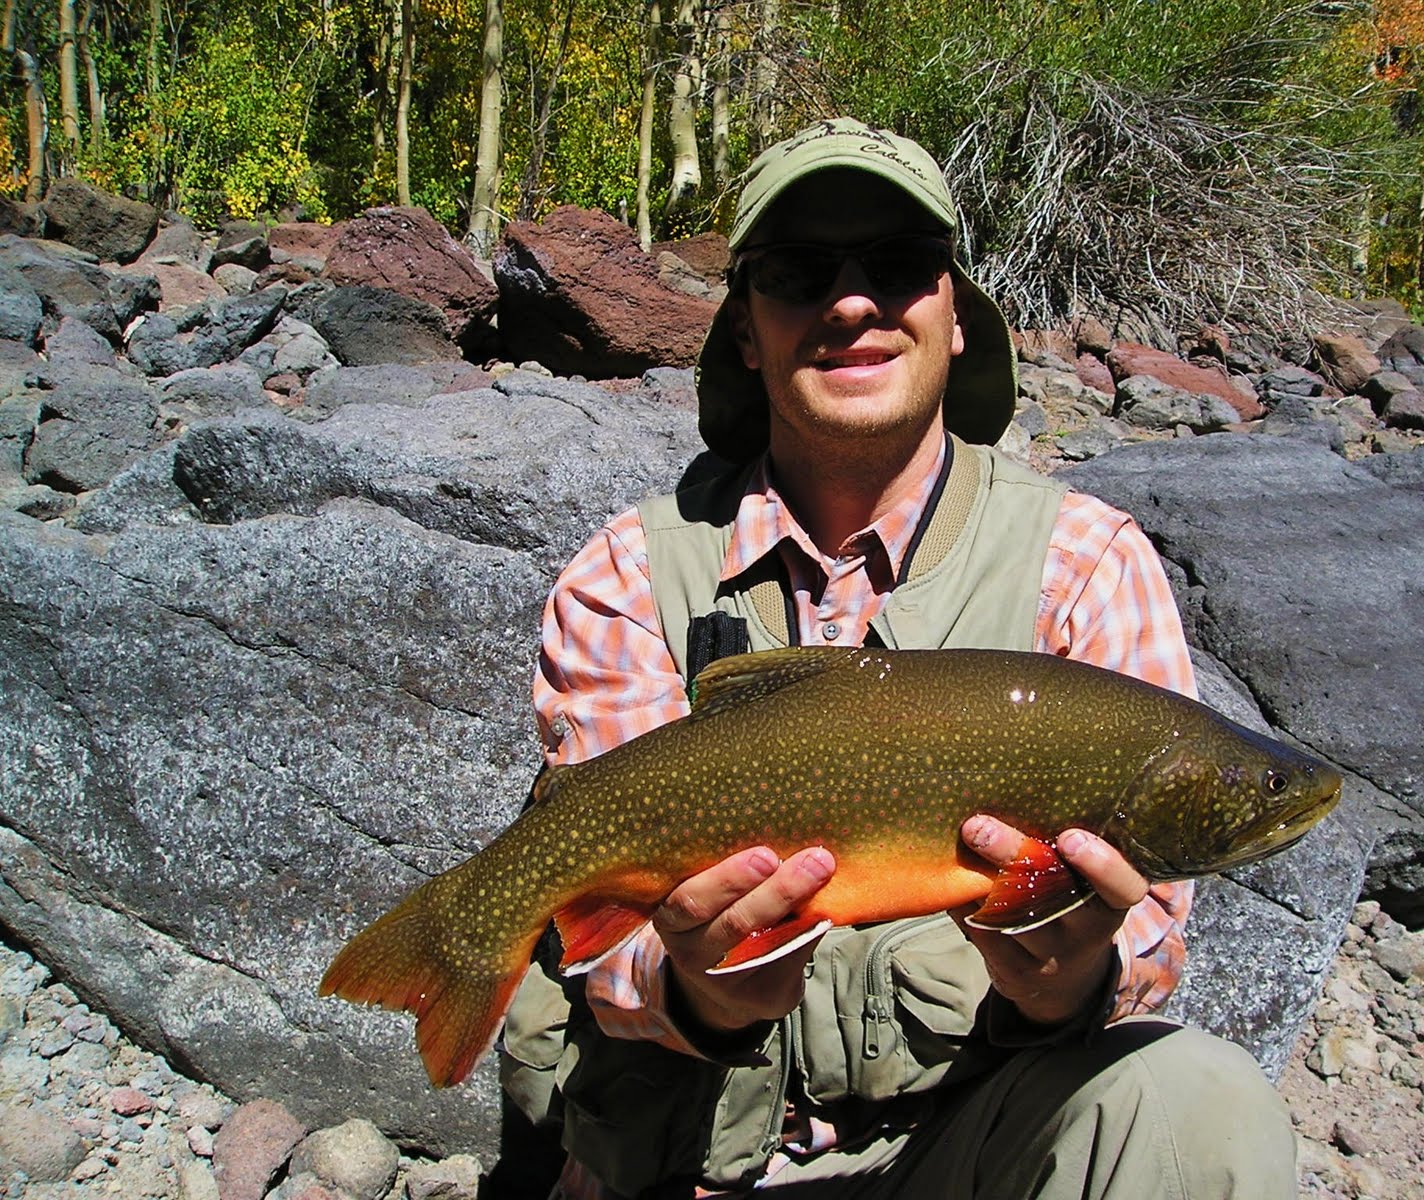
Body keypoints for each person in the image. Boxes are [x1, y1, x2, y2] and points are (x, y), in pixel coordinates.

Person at [500, 118, 1296, 1199]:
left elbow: (1146, 948)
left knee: (1201, 1105)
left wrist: (1069, 980)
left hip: (960, 1155)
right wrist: (700, 989)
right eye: (798, 272)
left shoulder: (1084, 566)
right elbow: (598, 944)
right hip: (684, 1163)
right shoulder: (630, 574)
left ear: (955, 316)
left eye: (898, 264)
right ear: (745, 333)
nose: (851, 302)